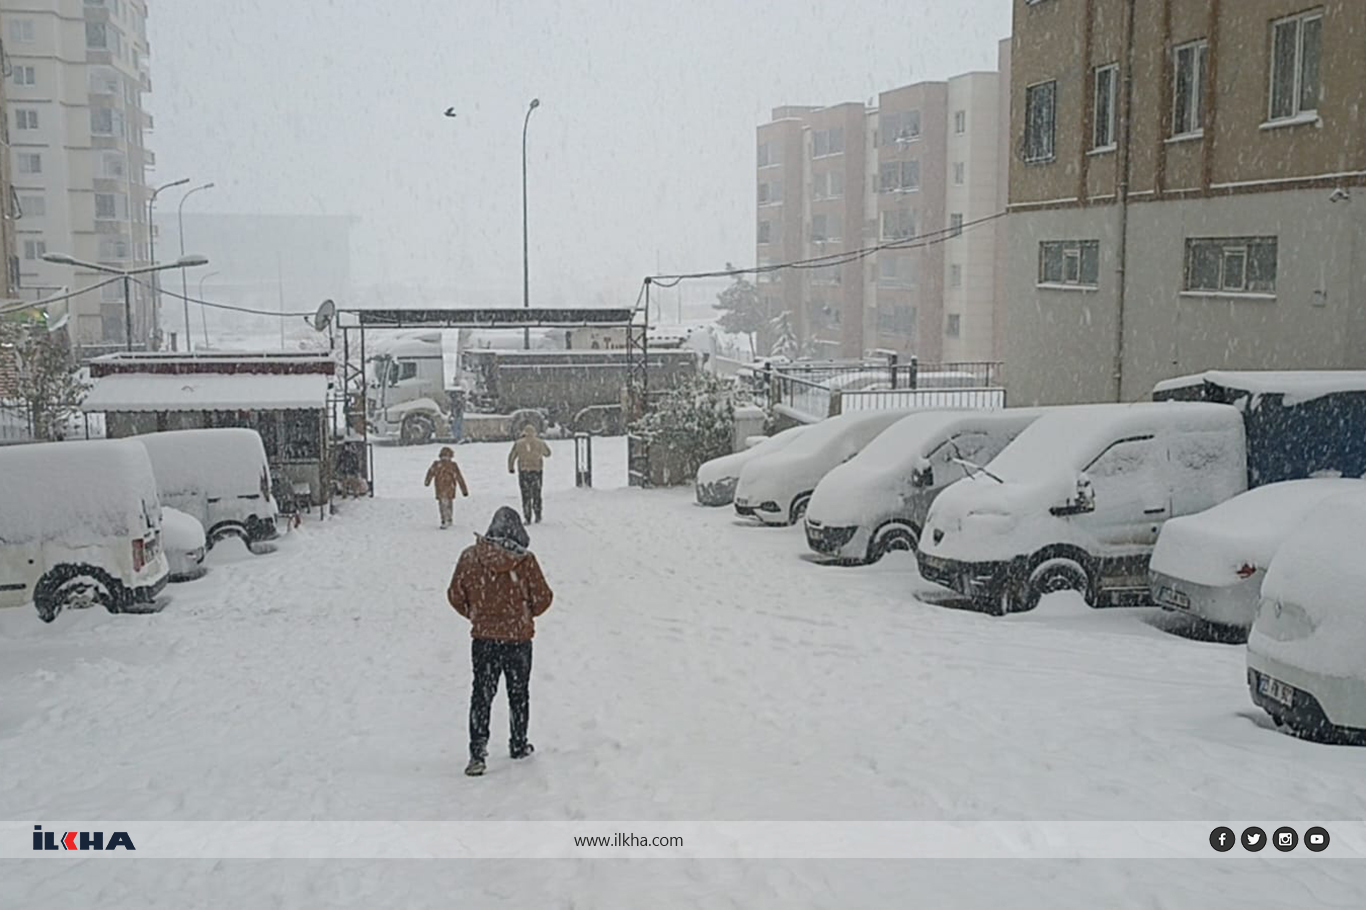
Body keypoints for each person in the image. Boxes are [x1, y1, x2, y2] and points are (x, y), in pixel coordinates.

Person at [448, 507, 554, 777]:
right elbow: (543, 597)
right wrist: (525, 614)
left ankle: (477, 752)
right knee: (518, 693)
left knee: (482, 694)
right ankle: (518, 744)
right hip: (518, 638)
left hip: (483, 639)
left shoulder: (470, 557)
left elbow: (454, 594)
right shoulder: (525, 560)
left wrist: (475, 613)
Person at [507, 425, 551, 523]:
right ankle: (538, 514)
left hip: (524, 471)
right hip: (537, 471)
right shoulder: (540, 442)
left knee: (525, 495)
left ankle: (527, 517)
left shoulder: (518, 443)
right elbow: (548, 453)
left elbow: (512, 456)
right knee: (537, 493)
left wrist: (511, 467)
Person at [424, 446, 469, 529]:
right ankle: (446, 519)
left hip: (446, 488)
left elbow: (459, 477)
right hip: (444, 488)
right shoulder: (440, 464)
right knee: (445, 504)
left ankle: (447, 519)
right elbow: (459, 478)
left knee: (445, 504)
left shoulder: (448, 465)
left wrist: (464, 490)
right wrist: (464, 490)